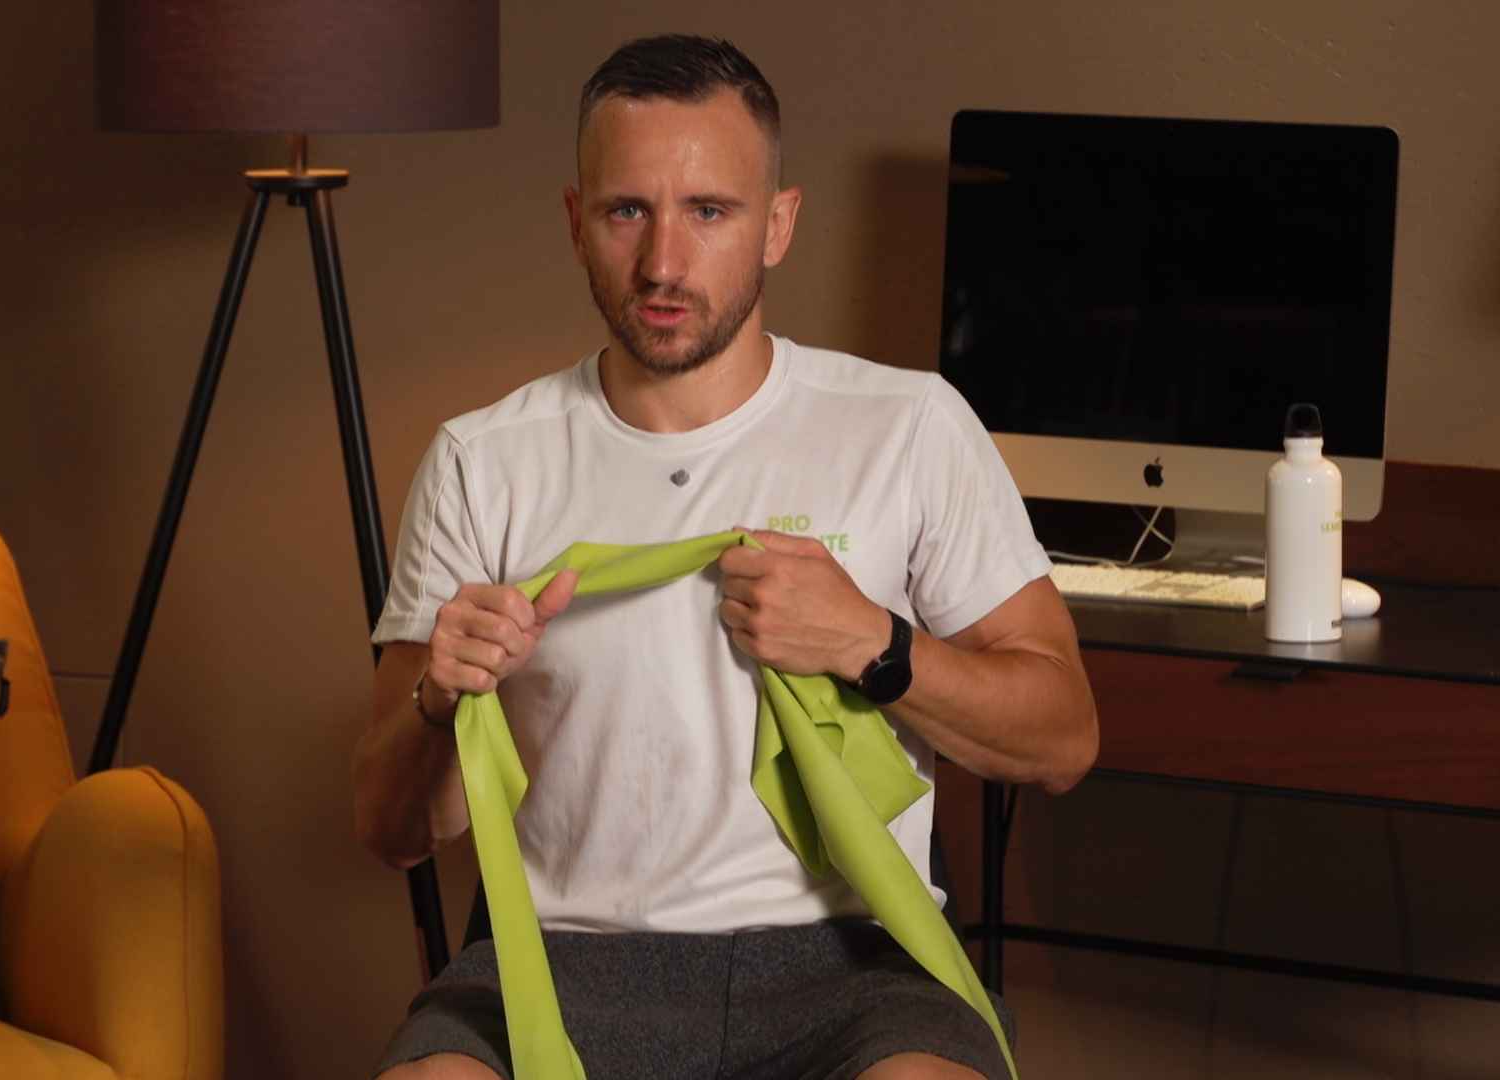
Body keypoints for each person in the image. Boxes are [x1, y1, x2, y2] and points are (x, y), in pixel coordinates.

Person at [354, 33, 1098, 1080]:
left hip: (853, 970)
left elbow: (1064, 738)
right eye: (627, 211)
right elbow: (391, 832)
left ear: (778, 224)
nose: (663, 263)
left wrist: (876, 645)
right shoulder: (483, 462)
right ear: (575, 222)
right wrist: (440, 698)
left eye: (709, 211)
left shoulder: (910, 427)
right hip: (561, 962)